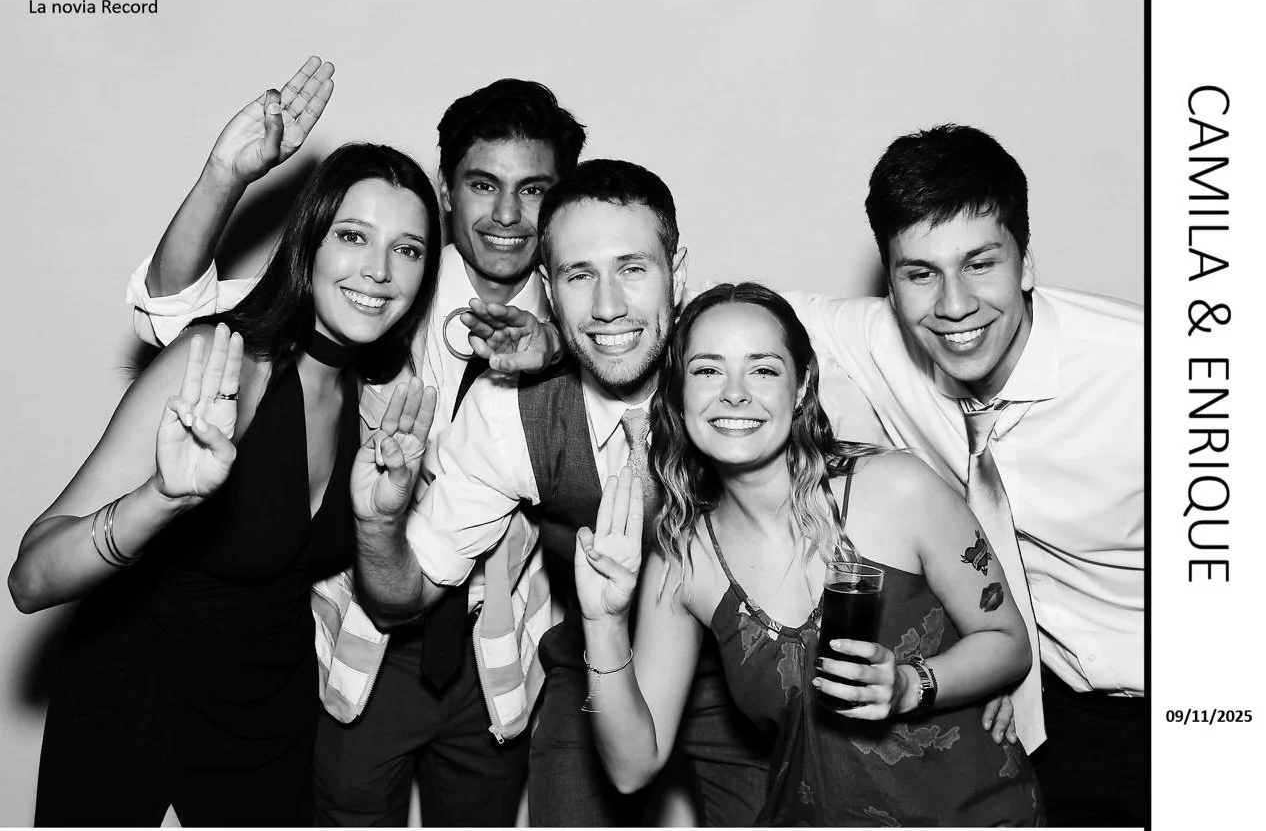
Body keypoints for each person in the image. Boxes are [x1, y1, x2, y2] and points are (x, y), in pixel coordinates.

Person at [127, 59, 587, 825]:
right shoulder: (377, 290)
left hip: (498, 654)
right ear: (446, 189)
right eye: (481, 184)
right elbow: (176, 313)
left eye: (534, 189)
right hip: (362, 648)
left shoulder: (587, 324)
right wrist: (223, 177)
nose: (507, 213)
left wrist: (561, 365)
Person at [9, 112, 442, 824]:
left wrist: (379, 520)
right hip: (131, 692)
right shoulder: (221, 362)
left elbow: (388, 584)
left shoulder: (379, 401)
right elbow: (29, 577)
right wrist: (161, 498)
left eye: (410, 249)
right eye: (354, 236)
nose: (379, 270)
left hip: (267, 705)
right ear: (311, 241)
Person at [355, 159, 778, 826]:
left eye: (633, 268)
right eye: (581, 275)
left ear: (679, 271)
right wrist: (377, 525)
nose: (608, 305)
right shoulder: (508, 417)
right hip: (591, 673)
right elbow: (402, 592)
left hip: (746, 677)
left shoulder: (745, 376)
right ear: (549, 289)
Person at [573, 282, 1043, 826]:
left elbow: (1009, 644)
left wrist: (913, 684)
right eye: (706, 370)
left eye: (764, 369)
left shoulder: (896, 488)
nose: (734, 392)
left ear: (800, 388)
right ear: (679, 395)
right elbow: (633, 767)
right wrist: (602, 621)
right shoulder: (683, 562)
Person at [787, 125, 1146, 827]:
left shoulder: (1147, 374)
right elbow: (726, 323)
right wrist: (557, 336)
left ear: (1026, 263)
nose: (953, 305)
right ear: (891, 284)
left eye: (980, 263)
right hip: (1042, 712)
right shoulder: (882, 342)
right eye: (920, 273)